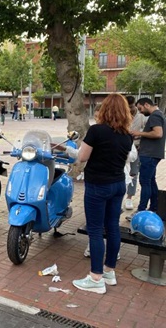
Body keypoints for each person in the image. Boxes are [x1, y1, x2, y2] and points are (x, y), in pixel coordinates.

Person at [69, 93, 133, 294]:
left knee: (95, 230)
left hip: (98, 186)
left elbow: (82, 157)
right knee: (112, 227)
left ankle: (96, 278)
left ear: (104, 109)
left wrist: (74, 151)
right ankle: (109, 272)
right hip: (118, 185)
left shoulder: (96, 131)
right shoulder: (127, 135)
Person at [128, 98, 166, 217]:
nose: (140, 112)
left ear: (146, 104)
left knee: (145, 182)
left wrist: (139, 133)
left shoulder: (155, 116)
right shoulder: (159, 115)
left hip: (149, 155)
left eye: (140, 109)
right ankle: (154, 207)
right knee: (151, 181)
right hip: (152, 153)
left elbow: (157, 133)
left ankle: (141, 210)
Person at [124, 96, 146, 210]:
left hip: (136, 149)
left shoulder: (142, 116)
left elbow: (147, 132)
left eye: (131, 107)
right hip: (121, 148)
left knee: (133, 173)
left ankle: (129, 198)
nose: (129, 109)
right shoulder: (122, 114)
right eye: (127, 107)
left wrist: (140, 138)